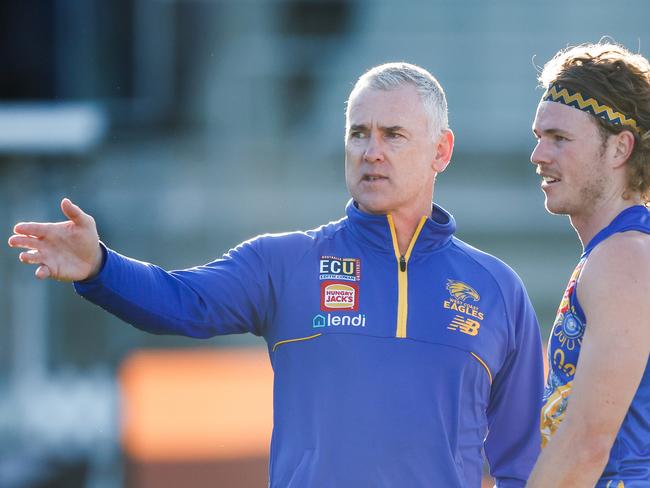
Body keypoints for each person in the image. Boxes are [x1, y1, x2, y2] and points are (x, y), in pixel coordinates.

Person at [9, 62, 543, 487]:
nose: (371, 152)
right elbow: (181, 300)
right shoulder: (283, 262)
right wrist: (100, 266)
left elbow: (522, 458)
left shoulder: (496, 289)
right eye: (359, 133)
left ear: (441, 151)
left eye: (393, 135)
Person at [527, 43, 650, 487]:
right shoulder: (619, 252)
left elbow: (588, 442)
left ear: (620, 148)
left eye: (560, 138)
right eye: (539, 137)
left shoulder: (624, 256)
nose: (538, 156)